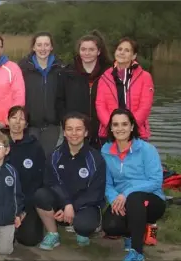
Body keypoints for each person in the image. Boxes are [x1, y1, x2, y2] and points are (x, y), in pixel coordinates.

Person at [101, 108, 166, 261]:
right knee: (110, 226)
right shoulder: (105, 151)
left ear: (131, 127)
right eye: (115, 125)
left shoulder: (147, 150)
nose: (120, 128)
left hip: (152, 201)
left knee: (135, 198)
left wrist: (127, 193)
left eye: (124, 124)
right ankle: (133, 232)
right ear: (110, 128)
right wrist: (115, 198)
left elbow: (156, 181)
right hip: (122, 200)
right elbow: (107, 183)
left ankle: (137, 252)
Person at [35, 112, 106, 250]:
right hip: (63, 204)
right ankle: (53, 233)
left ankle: (83, 229)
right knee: (40, 195)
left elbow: (95, 193)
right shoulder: (55, 155)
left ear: (86, 132)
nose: (74, 133)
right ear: (64, 132)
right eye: (69, 129)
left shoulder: (96, 159)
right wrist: (65, 205)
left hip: (85, 205)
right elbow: (51, 183)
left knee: (84, 226)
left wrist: (72, 207)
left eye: (79, 129)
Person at [57, 30, 111, 150]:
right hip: (75, 133)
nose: (87, 53)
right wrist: (67, 123)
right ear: (79, 51)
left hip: (102, 132)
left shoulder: (109, 73)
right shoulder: (67, 73)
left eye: (91, 49)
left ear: (99, 52)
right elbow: (59, 101)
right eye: (83, 49)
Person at [96, 37, 154, 141]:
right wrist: (112, 126)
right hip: (110, 133)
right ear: (115, 52)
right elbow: (100, 105)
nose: (122, 52)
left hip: (137, 133)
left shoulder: (145, 77)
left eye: (127, 50)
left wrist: (129, 126)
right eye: (120, 49)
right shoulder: (104, 77)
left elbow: (145, 106)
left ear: (134, 56)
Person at [20, 32, 65, 156]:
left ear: (51, 47)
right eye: (39, 45)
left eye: (46, 45)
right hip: (30, 125)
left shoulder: (61, 69)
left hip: (52, 125)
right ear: (33, 47)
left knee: (48, 159)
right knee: (30, 159)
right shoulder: (23, 68)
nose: (43, 49)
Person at [6, 106, 46, 247]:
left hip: (27, 202)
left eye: (22, 119)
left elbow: (38, 182)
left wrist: (23, 210)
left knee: (30, 240)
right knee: (4, 241)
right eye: (14, 118)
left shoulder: (35, 147)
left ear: (26, 124)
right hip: (3, 202)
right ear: (7, 120)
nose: (17, 122)